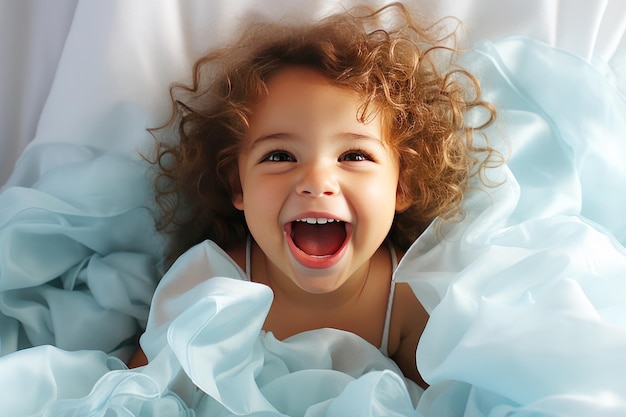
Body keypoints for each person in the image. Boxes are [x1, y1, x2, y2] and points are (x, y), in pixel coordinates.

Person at [130, 2, 498, 390]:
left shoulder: (406, 300)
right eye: (280, 156)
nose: (316, 180)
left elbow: (440, 403)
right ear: (238, 186)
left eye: (354, 156)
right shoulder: (212, 285)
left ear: (401, 186)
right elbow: (136, 393)